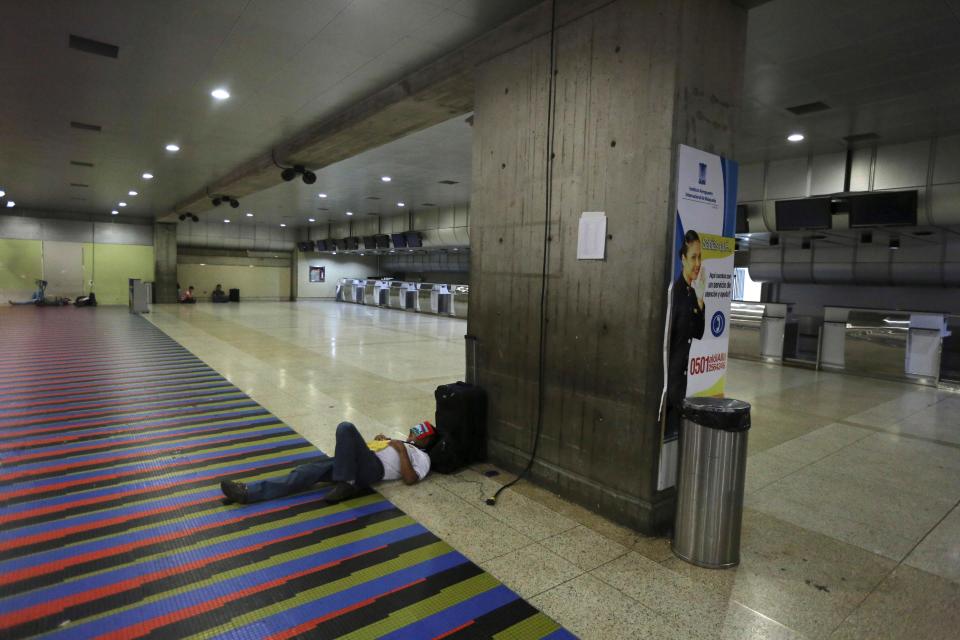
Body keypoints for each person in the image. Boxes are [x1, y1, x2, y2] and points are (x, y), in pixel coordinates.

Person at [220, 420, 436, 504]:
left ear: (427, 438)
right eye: (412, 430)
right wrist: (384, 442)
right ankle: (249, 492)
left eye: (419, 432)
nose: (412, 434)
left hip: (373, 469)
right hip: (354, 461)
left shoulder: (422, 457)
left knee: (346, 428)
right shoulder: (399, 442)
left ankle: (348, 484)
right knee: (304, 472)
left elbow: (410, 479)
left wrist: (400, 449)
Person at [666, 229, 706, 439]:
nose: (698, 263)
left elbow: (699, 333)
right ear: (683, 259)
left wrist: (700, 301)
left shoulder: (693, 293)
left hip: (680, 380)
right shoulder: (675, 293)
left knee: (675, 435)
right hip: (668, 382)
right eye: (693, 257)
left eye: (700, 257)